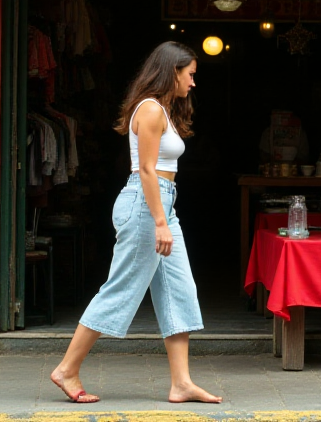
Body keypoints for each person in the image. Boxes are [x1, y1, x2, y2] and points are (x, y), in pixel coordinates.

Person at [50, 41, 221, 404]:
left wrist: (164, 216)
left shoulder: (163, 110)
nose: (193, 82)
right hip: (147, 206)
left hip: (161, 207)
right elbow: (144, 170)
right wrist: (159, 221)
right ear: (171, 70)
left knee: (180, 290)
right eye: (190, 74)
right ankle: (66, 369)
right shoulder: (150, 110)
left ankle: (181, 383)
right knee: (122, 287)